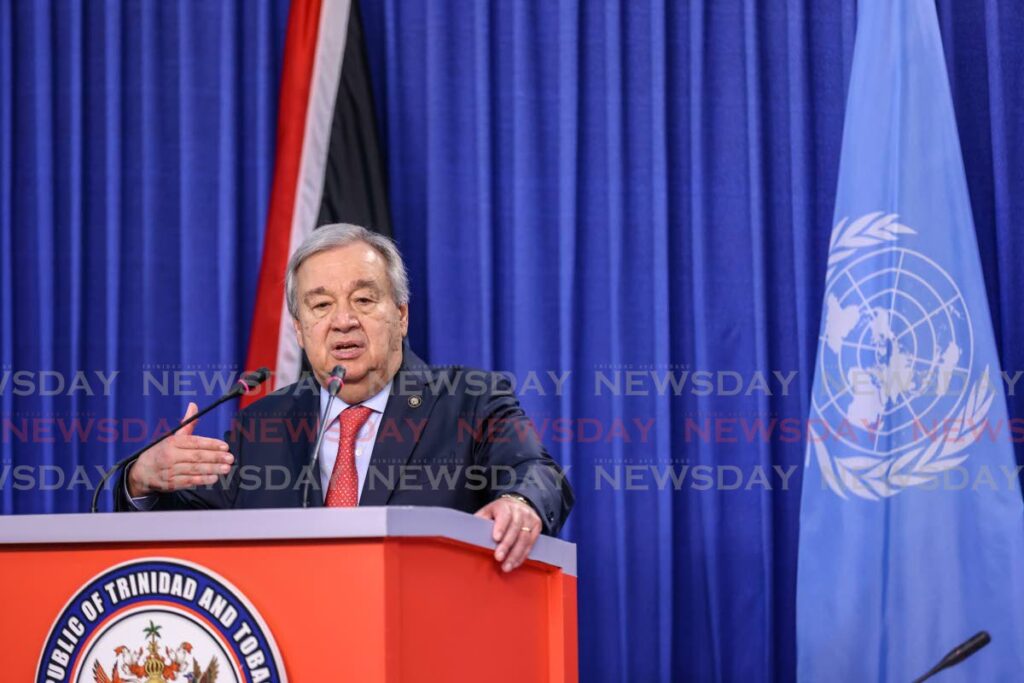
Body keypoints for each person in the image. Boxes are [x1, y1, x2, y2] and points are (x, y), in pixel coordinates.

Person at [116, 223, 573, 572]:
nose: (343, 321)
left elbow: (539, 473)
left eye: (364, 300)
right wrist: (140, 482)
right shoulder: (262, 425)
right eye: (320, 306)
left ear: (401, 315)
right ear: (299, 329)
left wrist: (522, 503)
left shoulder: (470, 401)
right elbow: (189, 538)